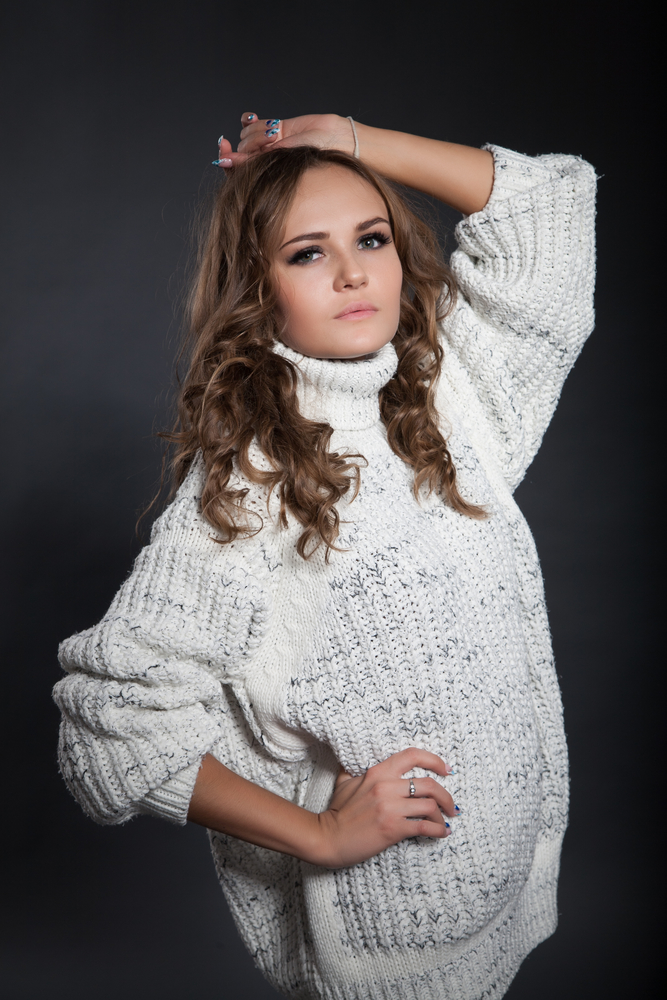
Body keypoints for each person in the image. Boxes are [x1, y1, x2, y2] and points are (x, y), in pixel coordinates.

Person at [53, 112, 597, 999]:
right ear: (257, 288)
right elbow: (110, 727)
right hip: (393, 938)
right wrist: (319, 835)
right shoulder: (251, 487)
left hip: (501, 887)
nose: (352, 272)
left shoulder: (443, 398)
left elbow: (551, 209)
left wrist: (351, 139)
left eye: (371, 238)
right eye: (308, 253)